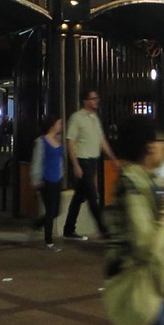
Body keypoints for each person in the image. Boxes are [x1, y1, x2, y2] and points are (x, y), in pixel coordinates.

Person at [101, 115, 164, 325]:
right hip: (139, 290)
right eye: (163, 141)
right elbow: (147, 245)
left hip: (154, 287)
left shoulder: (149, 180)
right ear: (150, 146)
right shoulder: (132, 183)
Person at [64, 90, 118, 240]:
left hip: (92, 160)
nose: (96, 101)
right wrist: (75, 164)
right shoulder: (76, 118)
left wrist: (112, 158)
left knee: (78, 197)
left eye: (96, 98)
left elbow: (102, 140)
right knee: (93, 197)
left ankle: (69, 229)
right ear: (85, 101)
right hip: (83, 160)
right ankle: (103, 229)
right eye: (93, 99)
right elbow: (70, 141)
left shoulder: (95, 118)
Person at [30, 113, 65, 249]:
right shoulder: (41, 141)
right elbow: (37, 161)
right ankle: (49, 241)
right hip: (46, 180)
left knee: (57, 211)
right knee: (51, 210)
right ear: (52, 125)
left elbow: (60, 161)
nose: (60, 126)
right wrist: (35, 179)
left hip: (57, 179)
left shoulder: (59, 140)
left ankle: (37, 225)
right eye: (59, 123)